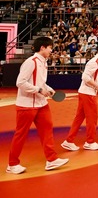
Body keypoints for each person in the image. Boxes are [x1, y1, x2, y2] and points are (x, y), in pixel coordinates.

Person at [6, 37, 69, 174]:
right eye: (50, 47)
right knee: (21, 134)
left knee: (47, 130)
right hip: (26, 105)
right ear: (42, 48)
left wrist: (49, 89)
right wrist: (39, 90)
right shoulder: (31, 62)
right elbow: (20, 83)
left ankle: (51, 160)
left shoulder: (44, 63)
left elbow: (41, 82)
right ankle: (12, 164)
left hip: (41, 104)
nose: (51, 50)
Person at [61, 42, 98, 151]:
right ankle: (90, 142)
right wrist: (97, 87)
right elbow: (85, 77)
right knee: (92, 118)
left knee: (79, 118)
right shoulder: (95, 62)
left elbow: (92, 76)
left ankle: (69, 141)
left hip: (85, 92)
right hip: (88, 93)